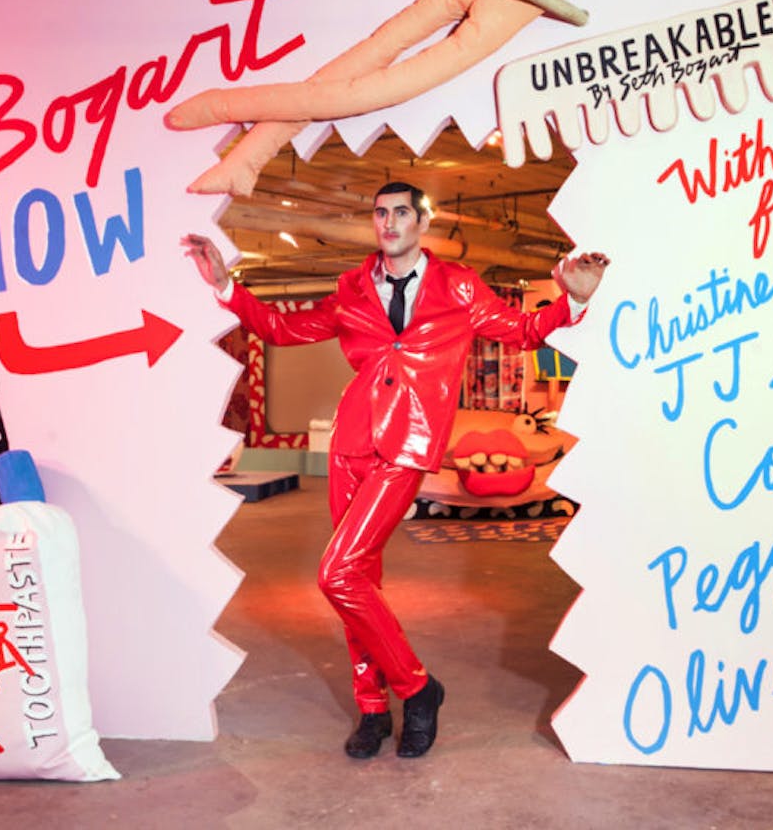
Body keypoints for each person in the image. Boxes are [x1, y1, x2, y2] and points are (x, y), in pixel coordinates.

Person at [182, 181, 609, 760]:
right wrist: (226, 287)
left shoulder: (459, 285)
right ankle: (373, 709)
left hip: (407, 445)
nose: (388, 222)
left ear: (422, 222)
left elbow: (522, 331)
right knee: (359, 580)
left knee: (337, 574)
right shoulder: (351, 289)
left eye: (401, 212)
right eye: (380, 213)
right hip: (350, 444)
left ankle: (417, 688)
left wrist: (571, 303)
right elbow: (282, 330)